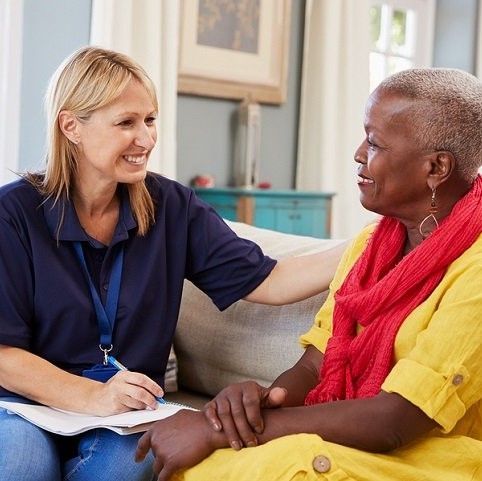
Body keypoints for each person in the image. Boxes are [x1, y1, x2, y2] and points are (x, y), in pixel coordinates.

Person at [0, 46, 345, 481]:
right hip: (21, 405)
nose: (145, 139)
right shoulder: (12, 214)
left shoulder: (171, 206)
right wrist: (94, 395)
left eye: (150, 120)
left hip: (124, 416)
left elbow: (270, 280)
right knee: (20, 466)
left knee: (125, 471)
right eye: (126, 123)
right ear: (72, 126)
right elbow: (4, 355)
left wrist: (367, 244)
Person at [136, 68, 482, 481]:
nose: (357, 153)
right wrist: (260, 404)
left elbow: (397, 419)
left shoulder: (475, 269)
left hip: (437, 457)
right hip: (361, 441)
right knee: (202, 464)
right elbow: (315, 367)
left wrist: (219, 432)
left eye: (374, 143)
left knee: (284, 467)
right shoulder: (370, 246)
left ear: (437, 167)